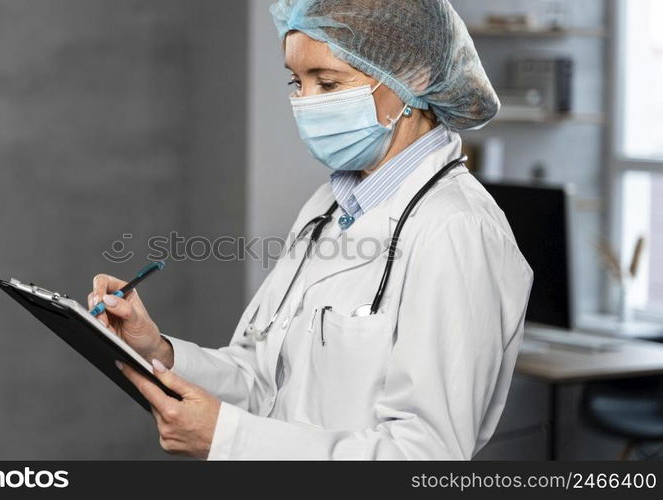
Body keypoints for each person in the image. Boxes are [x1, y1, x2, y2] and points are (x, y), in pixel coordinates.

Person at [89, 0, 533, 460]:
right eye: (296, 82)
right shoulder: (331, 204)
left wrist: (228, 440)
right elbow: (264, 378)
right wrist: (158, 348)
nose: (306, 102)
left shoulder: (458, 230)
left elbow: (425, 455)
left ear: (413, 78)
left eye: (328, 82)